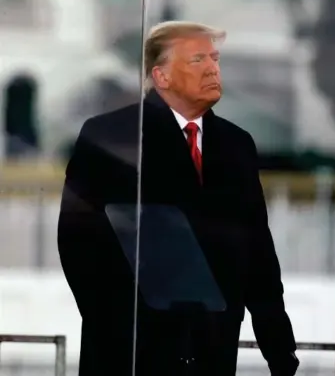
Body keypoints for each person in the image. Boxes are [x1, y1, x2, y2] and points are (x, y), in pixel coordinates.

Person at [57, 21, 299, 375]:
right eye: (197, 59)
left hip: (210, 352)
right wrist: (115, 326)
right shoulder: (109, 136)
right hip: (130, 352)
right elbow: (78, 242)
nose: (213, 68)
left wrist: (277, 344)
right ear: (162, 76)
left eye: (214, 59)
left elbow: (257, 251)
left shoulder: (237, 145)